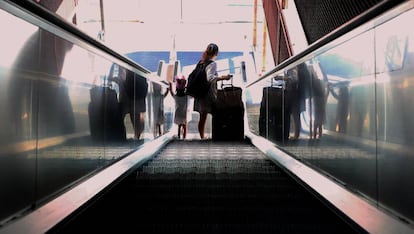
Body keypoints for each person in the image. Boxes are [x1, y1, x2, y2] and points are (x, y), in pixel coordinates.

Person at [193, 43, 232, 139]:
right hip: (208, 95)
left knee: (203, 117)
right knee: (217, 114)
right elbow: (210, 78)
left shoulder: (201, 62)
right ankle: (217, 135)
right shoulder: (212, 64)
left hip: (200, 94)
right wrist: (223, 78)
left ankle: (202, 137)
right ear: (216, 53)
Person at [169, 75, 189, 139]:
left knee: (179, 125)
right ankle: (184, 137)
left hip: (178, 112)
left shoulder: (176, 97)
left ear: (177, 89)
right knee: (184, 126)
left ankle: (179, 136)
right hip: (184, 112)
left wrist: (170, 85)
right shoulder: (186, 96)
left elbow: (171, 92)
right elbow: (189, 92)